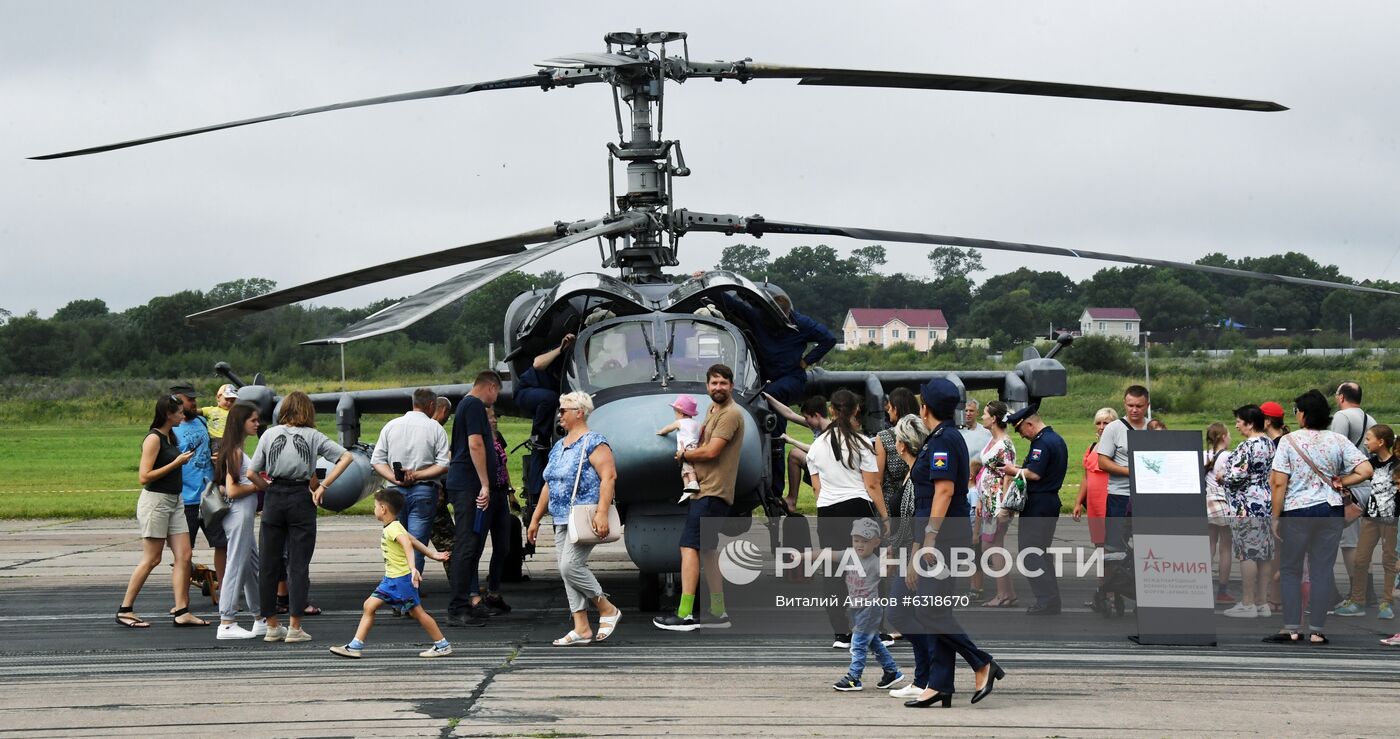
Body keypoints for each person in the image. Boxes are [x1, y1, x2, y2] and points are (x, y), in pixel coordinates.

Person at [888, 378, 1002, 708]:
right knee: (933, 610)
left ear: (925, 408)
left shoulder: (942, 441)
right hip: (942, 535)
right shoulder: (944, 437)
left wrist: (929, 539)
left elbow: (944, 491)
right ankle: (940, 684)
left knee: (927, 610)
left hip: (942, 537)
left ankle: (981, 661)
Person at [1264, 390, 1372, 645]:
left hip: (1297, 512)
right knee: (1322, 570)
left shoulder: (1289, 441)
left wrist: (1275, 517)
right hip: (1330, 511)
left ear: (1302, 414)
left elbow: (1279, 484)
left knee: (1290, 569)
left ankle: (1291, 627)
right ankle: (1317, 630)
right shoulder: (1337, 440)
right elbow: (1366, 469)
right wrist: (1343, 480)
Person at [251, 390, 355, 643]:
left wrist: (270, 490)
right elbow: (346, 456)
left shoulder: (269, 434)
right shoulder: (313, 436)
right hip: (301, 497)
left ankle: (272, 625)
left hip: (275, 496)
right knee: (298, 564)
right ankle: (295, 627)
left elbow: (253, 473)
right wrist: (323, 486)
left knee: (268, 563)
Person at [654, 364, 746, 632]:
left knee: (689, 547)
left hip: (711, 492)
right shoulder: (712, 410)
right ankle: (718, 612)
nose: (718, 387)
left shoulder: (730, 414)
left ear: (731, 385)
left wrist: (683, 455)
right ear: (707, 386)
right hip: (709, 490)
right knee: (708, 552)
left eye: (723, 383)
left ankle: (684, 614)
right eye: (714, 383)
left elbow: (711, 452)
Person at [526, 391, 623, 645]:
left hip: (584, 516)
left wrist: (602, 512)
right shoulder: (559, 446)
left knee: (570, 566)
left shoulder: (594, 442)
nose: (559, 415)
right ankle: (581, 627)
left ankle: (607, 608)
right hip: (559, 516)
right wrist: (535, 518)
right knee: (565, 570)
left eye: (563, 410)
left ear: (579, 413)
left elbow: (609, 477)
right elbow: (549, 483)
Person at [806, 389, 891, 648]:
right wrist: (885, 517)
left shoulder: (816, 446)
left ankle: (840, 632)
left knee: (833, 572)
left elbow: (817, 489)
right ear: (856, 411)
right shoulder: (863, 443)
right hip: (857, 508)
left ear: (831, 411)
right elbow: (873, 486)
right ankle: (872, 627)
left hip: (828, 511)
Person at [330, 488, 453, 659]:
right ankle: (355, 646)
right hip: (390, 580)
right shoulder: (395, 526)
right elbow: (413, 540)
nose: (374, 509)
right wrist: (432, 554)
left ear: (383, 509)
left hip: (401, 580)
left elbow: (407, 544)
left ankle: (442, 645)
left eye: (374, 506)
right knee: (369, 606)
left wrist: (412, 568)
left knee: (417, 612)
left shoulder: (393, 529)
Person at [117, 395, 200, 628]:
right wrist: (177, 463)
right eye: (180, 413)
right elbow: (144, 477)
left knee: (184, 555)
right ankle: (125, 609)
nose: (184, 416)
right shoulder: (154, 438)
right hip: (156, 502)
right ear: (168, 414)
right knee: (152, 558)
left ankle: (182, 611)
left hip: (175, 501)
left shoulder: (169, 437)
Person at [370, 388, 450, 576]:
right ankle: (410, 595)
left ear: (413, 403)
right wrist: (416, 475)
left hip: (394, 494)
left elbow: (377, 460)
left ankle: (398, 591)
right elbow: (443, 464)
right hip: (424, 492)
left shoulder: (391, 425)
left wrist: (394, 478)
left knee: (395, 544)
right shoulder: (435, 428)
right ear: (431, 405)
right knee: (417, 546)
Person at [446, 371, 502, 627]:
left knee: (472, 544)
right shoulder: (475, 405)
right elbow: (476, 444)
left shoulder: (466, 406)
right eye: (497, 392)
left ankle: (466, 603)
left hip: (467, 484)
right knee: (466, 545)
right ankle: (458, 607)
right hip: (469, 485)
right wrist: (485, 484)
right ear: (491, 387)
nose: (496, 398)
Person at [1002, 406, 1069, 615]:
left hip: (1039, 503)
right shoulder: (1055, 439)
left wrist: (1013, 471)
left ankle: (1046, 600)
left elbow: (1034, 473)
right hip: (1047, 502)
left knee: (1030, 553)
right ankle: (1050, 599)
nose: (1022, 436)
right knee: (1040, 553)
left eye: (1021, 431)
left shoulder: (1042, 442)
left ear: (1029, 424)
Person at [213, 401, 267, 639]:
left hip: (242, 514)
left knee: (251, 566)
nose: (257, 424)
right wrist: (260, 485)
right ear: (240, 422)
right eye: (253, 420)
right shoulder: (235, 452)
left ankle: (260, 617)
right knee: (236, 564)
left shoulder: (234, 449)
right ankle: (227, 621)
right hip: (239, 514)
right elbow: (233, 490)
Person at [832, 518, 905, 692]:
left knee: (858, 643)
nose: (859, 545)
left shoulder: (875, 562)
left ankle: (854, 677)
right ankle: (892, 671)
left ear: (875, 543)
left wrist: (890, 556)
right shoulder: (849, 556)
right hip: (856, 609)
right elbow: (827, 554)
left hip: (870, 608)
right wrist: (802, 556)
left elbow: (887, 572)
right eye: (856, 540)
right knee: (874, 643)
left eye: (865, 541)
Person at [1336, 424, 1397, 620]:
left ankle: (1386, 602)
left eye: (1369, 438)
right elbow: (1359, 476)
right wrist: (1341, 482)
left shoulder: (1397, 465)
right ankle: (1357, 601)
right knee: (1361, 559)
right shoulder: (1370, 464)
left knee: (1388, 561)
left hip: (1391, 520)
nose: (1366, 442)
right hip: (1371, 518)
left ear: (1381, 442)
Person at [1221, 405, 1276, 618]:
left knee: (1247, 553)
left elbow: (1236, 476)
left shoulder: (1247, 446)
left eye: (1239, 421)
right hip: (1266, 500)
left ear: (1250, 423)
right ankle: (1262, 602)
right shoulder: (1270, 444)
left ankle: (1247, 602)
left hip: (1246, 503)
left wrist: (1223, 477)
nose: (1236, 424)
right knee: (1264, 553)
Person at [171, 384, 224, 603]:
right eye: (188, 400)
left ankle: (225, 595)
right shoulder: (169, 430)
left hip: (210, 496)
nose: (193, 403)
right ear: (176, 401)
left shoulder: (203, 422)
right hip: (186, 499)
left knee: (223, 544)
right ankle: (181, 603)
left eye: (194, 399)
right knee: (184, 554)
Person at [1331, 381, 1378, 612]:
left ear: (1341, 397)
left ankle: (1357, 593)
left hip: (1348, 486)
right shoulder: (1371, 419)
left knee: (1349, 543)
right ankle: (1367, 591)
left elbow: (1334, 451)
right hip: (1368, 484)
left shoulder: (1342, 418)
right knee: (1361, 542)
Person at [469, 406, 521, 614]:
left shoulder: (497, 437)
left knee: (503, 547)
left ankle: (493, 592)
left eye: (494, 416)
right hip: (484, 497)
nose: (494, 420)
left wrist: (510, 491)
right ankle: (472, 593)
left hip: (500, 495)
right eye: (489, 417)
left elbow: (503, 464)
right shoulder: (476, 440)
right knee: (476, 546)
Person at [972, 400, 1017, 608]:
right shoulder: (993, 441)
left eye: (985, 414)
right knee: (992, 545)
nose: (982, 417)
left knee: (992, 545)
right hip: (988, 500)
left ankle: (1002, 593)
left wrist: (1004, 507)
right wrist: (981, 498)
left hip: (997, 502)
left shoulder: (1005, 444)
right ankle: (1007, 593)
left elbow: (1007, 475)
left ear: (994, 418)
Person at [1097, 385, 1150, 555]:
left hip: (1148, 495)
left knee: (1148, 544)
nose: (1134, 410)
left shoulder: (1153, 428)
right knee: (1114, 544)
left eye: (1139, 406)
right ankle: (1113, 581)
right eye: (1130, 405)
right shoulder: (1113, 428)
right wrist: (1132, 472)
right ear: (1124, 403)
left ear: (1147, 405)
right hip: (1120, 496)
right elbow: (1103, 462)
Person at [874, 388, 921, 558]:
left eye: (890, 406)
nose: (887, 409)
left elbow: (876, 482)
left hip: (891, 506)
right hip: (916, 505)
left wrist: (884, 517)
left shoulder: (884, 437)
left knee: (890, 558)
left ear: (897, 408)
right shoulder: (923, 434)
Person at [767, 394, 830, 513]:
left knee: (795, 452)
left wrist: (791, 440)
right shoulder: (817, 424)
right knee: (794, 455)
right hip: (820, 467)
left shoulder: (833, 430)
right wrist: (768, 397)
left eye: (806, 418)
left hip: (829, 474)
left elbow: (816, 450)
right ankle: (791, 501)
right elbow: (789, 414)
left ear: (816, 415)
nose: (806, 421)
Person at [1072, 408, 1116, 552]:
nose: (1102, 427)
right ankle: (1103, 573)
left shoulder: (1118, 447)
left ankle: (1114, 573)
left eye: (1106, 423)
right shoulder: (1091, 447)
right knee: (1098, 543)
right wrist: (1078, 502)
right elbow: (1086, 476)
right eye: (1098, 423)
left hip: (1110, 502)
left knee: (1112, 543)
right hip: (1093, 504)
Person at [1204, 422, 1236, 606]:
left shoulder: (1203, 455)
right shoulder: (1229, 456)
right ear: (1224, 436)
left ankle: (1204, 585)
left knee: (1209, 545)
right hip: (1224, 503)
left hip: (1207, 502)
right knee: (1226, 547)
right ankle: (1222, 591)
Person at [657, 394, 702, 503]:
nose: (675, 415)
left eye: (675, 412)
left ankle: (693, 484)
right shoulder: (697, 424)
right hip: (696, 448)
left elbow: (669, 428)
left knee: (688, 468)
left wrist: (661, 432)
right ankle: (686, 489)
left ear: (681, 413)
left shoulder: (680, 422)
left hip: (686, 450)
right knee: (685, 470)